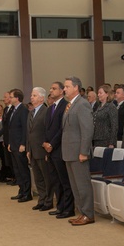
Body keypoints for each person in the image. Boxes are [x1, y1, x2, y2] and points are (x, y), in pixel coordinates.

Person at [61, 77, 95, 225]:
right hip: (69, 152)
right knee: (75, 186)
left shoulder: (82, 104)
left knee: (82, 185)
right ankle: (82, 213)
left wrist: (84, 151)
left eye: (67, 86)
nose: (64, 89)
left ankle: (88, 214)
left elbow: (87, 130)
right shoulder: (70, 105)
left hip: (78, 152)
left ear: (76, 88)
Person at [43, 81, 72, 219]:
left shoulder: (65, 106)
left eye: (54, 88)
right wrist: (45, 143)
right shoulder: (50, 108)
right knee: (55, 180)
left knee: (64, 180)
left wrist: (52, 144)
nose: (51, 90)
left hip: (60, 148)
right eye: (50, 88)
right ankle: (60, 207)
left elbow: (63, 128)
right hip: (50, 150)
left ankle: (68, 208)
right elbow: (46, 129)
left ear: (62, 91)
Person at [26, 87, 50, 211]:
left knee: (46, 177)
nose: (31, 97)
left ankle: (48, 201)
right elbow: (28, 133)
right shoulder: (31, 112)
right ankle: (41, 199)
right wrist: (28, 149)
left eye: (34, 95)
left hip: (42, 150)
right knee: (38, 178)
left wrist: (47, 150)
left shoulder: (46, 111)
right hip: (33, 150)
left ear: (41, 98)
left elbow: (47, 131)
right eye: (31, 95)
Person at [5, 89, 31, 202]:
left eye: (11, 97)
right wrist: (10, 143)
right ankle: (21, 190)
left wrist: (23, 144)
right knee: (17, 170)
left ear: (17, 98)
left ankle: (27, 193)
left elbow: (25, 128)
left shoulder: (23, 110)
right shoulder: (13, 110)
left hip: (20, 145)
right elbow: (11, 129)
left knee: (23, 169)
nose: (9, 99)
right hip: (13, 144)